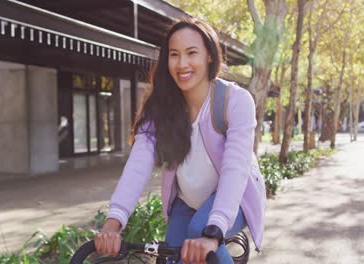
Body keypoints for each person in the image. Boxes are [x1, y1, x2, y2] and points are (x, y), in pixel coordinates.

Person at [95, 18, 266, 264]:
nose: (182, 63)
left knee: (200, 231)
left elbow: (235, 170)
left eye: (191, 53)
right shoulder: (160, 107)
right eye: (174, 55)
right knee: (170, 258)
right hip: (185, 201)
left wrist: (215, 230)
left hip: (233, 199)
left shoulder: (236, 102)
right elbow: (137, 166)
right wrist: (112, 224)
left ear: (209, 55)